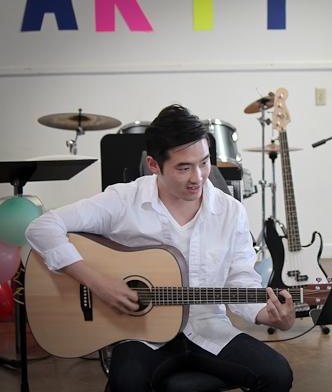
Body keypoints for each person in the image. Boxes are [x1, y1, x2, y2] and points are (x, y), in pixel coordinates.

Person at [26, 104, 295, 392]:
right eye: (184, 168)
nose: (198, 177)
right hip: (142, 334)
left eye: (204, 163)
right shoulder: (124, 200)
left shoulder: (231, 211)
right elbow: (42, 227)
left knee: (277, 374)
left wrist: (267, 315)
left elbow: (240, 280)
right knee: (127, 383)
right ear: (154, 165)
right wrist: (99, 284)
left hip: (209, 328)